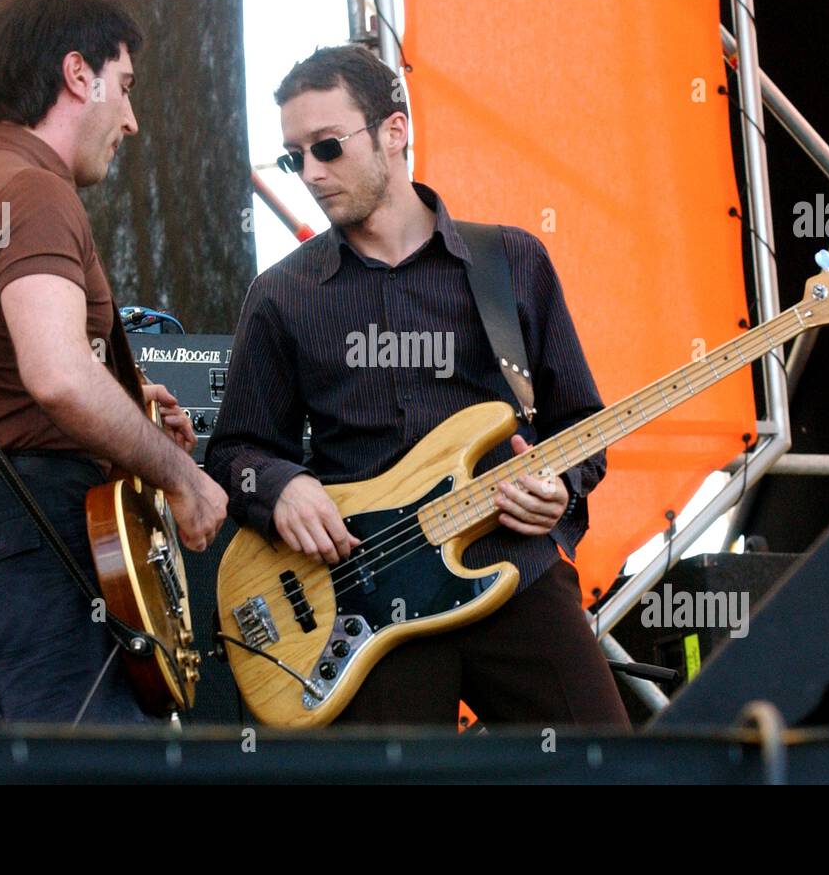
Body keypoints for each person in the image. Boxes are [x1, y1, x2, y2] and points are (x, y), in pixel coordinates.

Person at [205, 45, 629, 729]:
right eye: (295, 156)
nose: (311, 173)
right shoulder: (281, 295)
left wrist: (561, 486)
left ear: (395, 130)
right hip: (363, 599)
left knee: (612, 770)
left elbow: (581, 422)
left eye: (329, 146)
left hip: (510, 569)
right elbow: (234, 452)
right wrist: (282, 485)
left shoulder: (511, 261)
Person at [0, 0, 227, 723]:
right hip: (35, 535)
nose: (133, 120)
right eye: (126, 86)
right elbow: (56, 374)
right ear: (79, 75)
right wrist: (182, 476)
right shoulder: (33, 192)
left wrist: (135, 410)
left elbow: (6, 385)